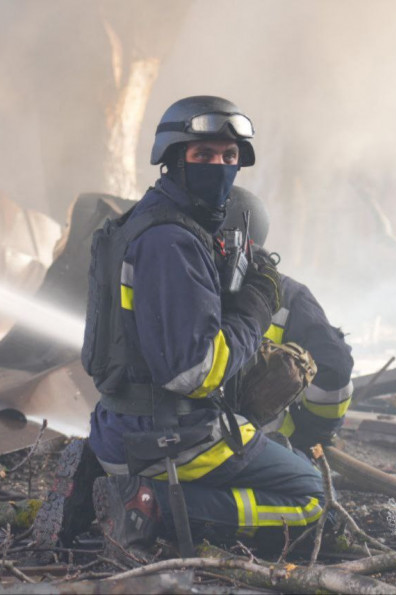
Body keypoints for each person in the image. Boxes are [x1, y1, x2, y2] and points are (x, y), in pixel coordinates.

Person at [84, 96, 326, 560]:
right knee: (312, 499)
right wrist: (256, 306)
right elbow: (194, 372)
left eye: (228, 157)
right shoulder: (171, 242)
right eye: (203, 156)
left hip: (120, 427)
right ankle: (151, 510)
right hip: (169, 435)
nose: (218, 166)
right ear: (174, 159)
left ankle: (109, 489)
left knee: (282, 458)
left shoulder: (149, 222)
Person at [222, 187, 354, 453]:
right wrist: (312, 435)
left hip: (195, 444)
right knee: (306, 487)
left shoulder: (188, 283)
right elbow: (335, 369)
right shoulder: (292, 296)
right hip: (270, 447)